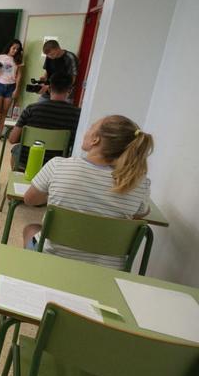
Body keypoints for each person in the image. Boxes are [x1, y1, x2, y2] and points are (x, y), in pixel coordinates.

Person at [21, 115, 153, 269]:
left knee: (31, 229)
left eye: (91, 127)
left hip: (54, 260)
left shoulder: (58, 166)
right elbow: (139, 215)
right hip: (107, 271)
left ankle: (32, 271)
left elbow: (30, 200)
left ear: (95, 140)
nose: (87, 131)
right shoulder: (139, 183)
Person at [8, 73, 81, 168]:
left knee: (16, 149)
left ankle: (18, 175)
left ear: (49, 89)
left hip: (27, 160)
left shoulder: (31, 109)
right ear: (70, 90)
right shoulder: (77, 114)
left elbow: (12, 139)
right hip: (56, 164)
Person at [0, 40, 24, 140]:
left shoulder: (18, 60)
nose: (15, 50)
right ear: (9, 47)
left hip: (11, 87)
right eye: (13, 48)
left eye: (17, 49)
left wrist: (17, 89)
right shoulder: (0, 57)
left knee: (5, 111)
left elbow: (19, 75)